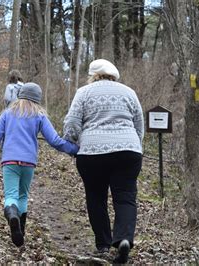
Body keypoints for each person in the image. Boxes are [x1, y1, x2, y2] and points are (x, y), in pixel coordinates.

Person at [63, 59, 144, 263]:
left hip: (92, 153)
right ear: (114, 75)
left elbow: (72, 123)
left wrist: (72, 140)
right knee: (125, 196)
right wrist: (135, 145)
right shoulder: (128, 92)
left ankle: (103, 244)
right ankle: (124, 239)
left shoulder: (84, 92)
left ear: (92, 75)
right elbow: (139, 124)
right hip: (128, 150)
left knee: (95, 197)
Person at [0, 83, 79, 247]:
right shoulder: (39, 116)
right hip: (28, 162)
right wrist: (75, 149)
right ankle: (21, 231)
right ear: (38, 99)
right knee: (23, 196)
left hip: (10, 161)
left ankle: (12, 215)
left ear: (20, 95)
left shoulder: (8, 113)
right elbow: (55, 141)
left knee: (11, 195)